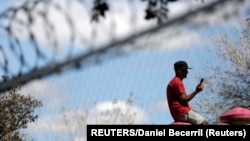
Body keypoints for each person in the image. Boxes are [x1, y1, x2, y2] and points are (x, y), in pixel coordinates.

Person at [166, 60, 209, 125]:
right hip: (182, 112)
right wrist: (196, 91)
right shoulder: (177, 82)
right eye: (185, 70)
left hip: (178, 113)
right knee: (205, 123)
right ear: (179, 71)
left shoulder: (174, 82)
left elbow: (183, 101)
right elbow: (184, 99)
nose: (187, 72)